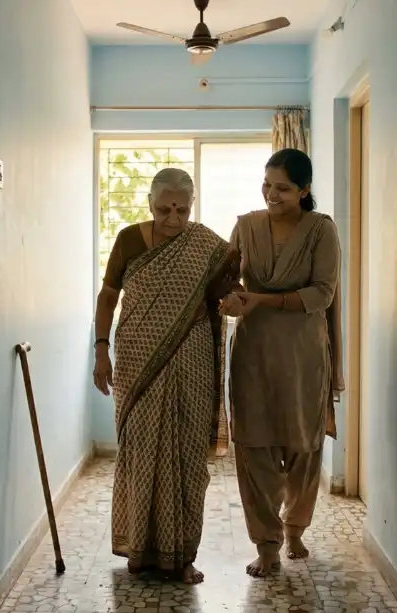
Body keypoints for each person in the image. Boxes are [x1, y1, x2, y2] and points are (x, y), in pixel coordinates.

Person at [93, 167, 240, 585]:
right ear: (149, 204)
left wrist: (235, 300)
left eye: (181, 209)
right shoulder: (128, 240)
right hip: (137, 357)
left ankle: (183, 556)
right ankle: (139, 551)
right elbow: (108, 296)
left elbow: (227, 291)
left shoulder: (207, 245)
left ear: (192, 205)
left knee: (188, 456)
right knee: (139, 452)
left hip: (191, 355)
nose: (173, 218)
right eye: (164, 209)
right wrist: (101, 350)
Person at [220, 148, 344, 577]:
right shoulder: (246, 227)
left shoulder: (321, 232)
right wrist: (234, 299)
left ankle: (295, 528)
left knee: (303, 447)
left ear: (305, 190)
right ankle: (267, 543)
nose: (272, 194)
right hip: (253, 353)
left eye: (283, 188)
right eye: (267, 184)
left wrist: (262, 300)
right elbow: (228, 279)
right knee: (254, 446)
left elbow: (321, 295)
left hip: (303, 356)